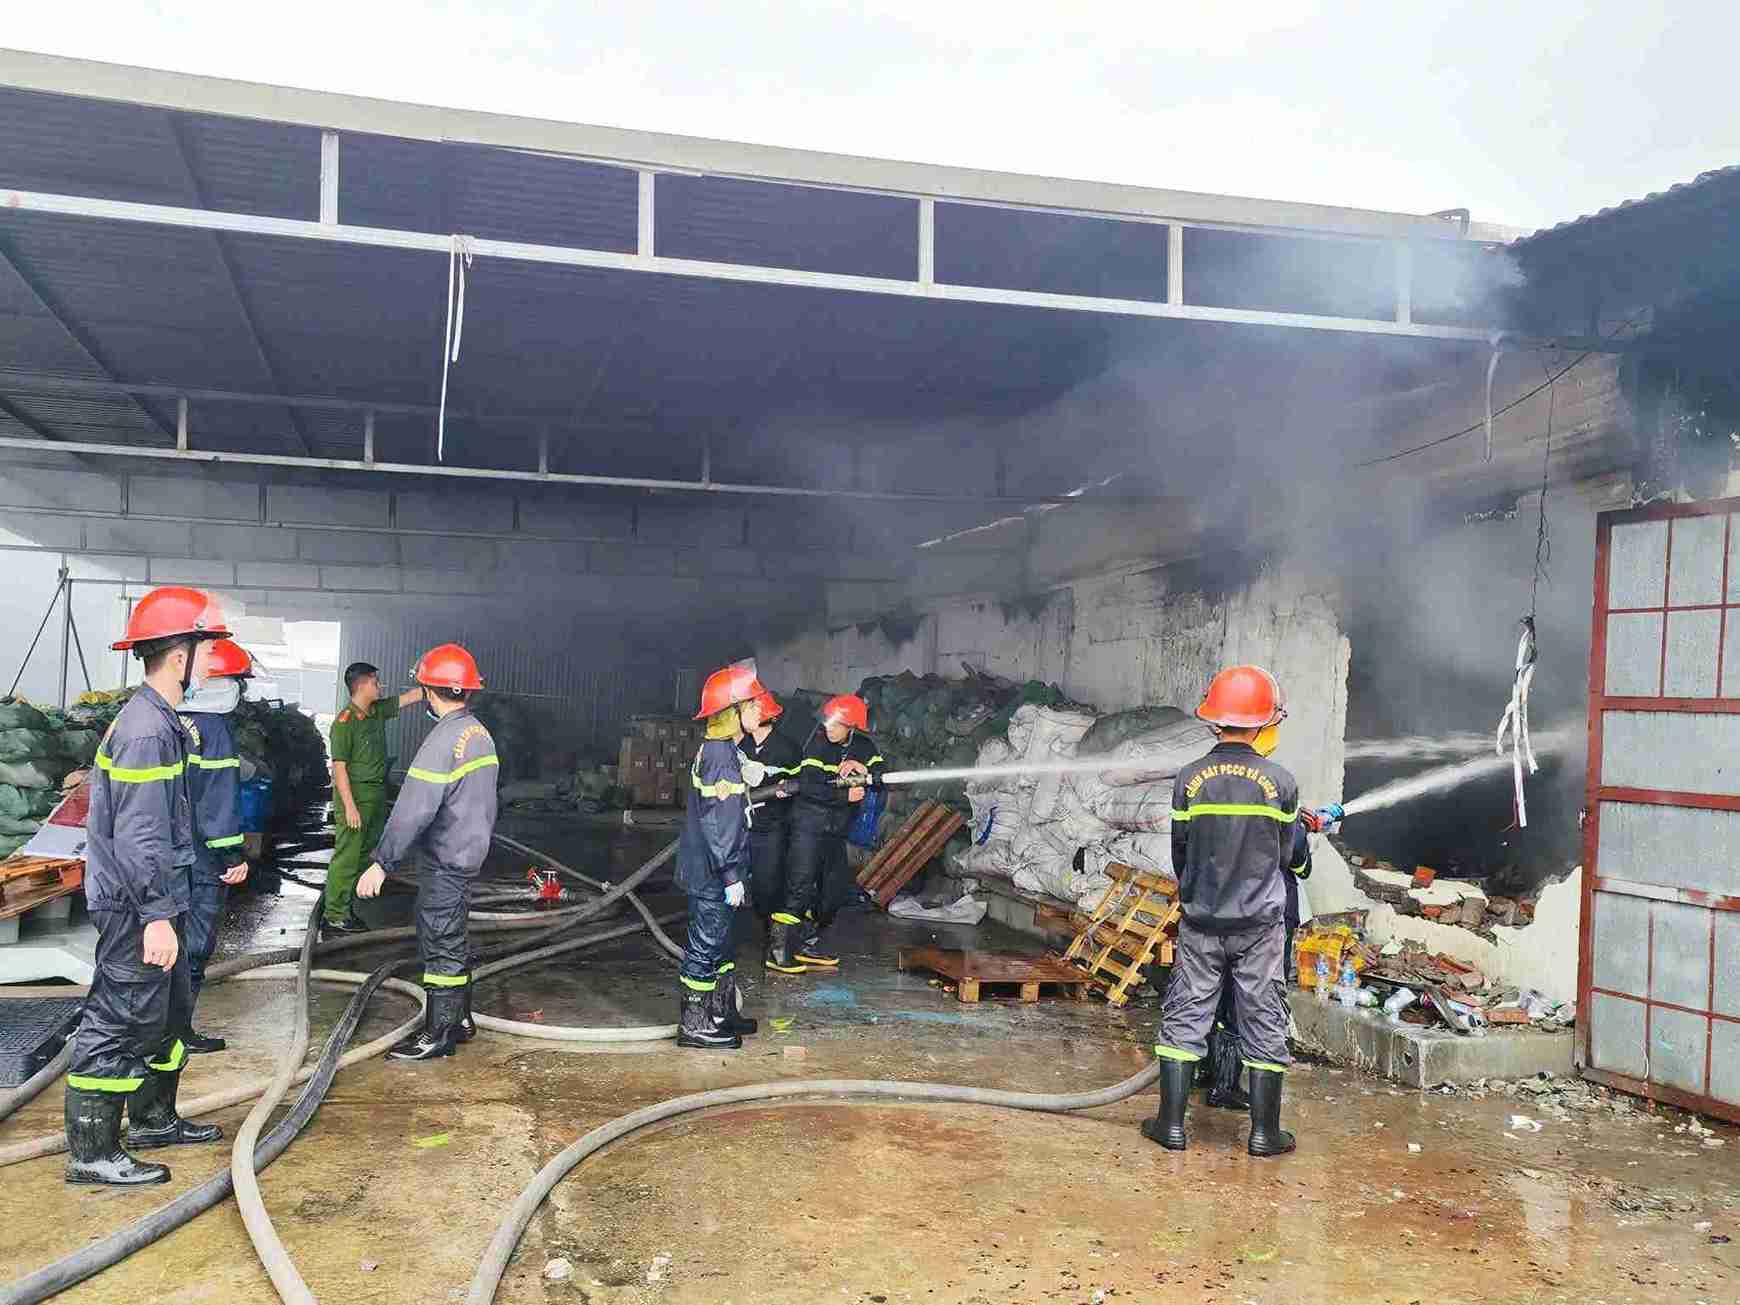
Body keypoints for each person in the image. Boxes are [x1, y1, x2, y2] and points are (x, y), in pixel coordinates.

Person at [64, 586, 229, 1187]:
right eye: (207, 648)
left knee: (167, 1014)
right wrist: (157, 915)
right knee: (120, 1017)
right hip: (139, 905)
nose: (213, 661)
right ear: (179, 654)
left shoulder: (162, 721)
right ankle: (92, 1151)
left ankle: (155, 1118)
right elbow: (139, 836)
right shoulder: (145, 730)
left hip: (164, 896)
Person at [1148, 665, 1312, 1159]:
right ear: (1264, 723)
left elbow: (1181, 852)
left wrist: (1200, 892)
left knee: (1186, 1015)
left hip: (1202, 920)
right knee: (1262, 1017)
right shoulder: (1280, 783)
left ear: (1215, 720)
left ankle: (1171, 1127)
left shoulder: (1190, 780)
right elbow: (1291, 859)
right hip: (1260, 926)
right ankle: (1264, 1135)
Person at [355, 644, 498, 1061]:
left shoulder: (444, 740)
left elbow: (414, 808)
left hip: (445, 857)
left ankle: (439, 1033)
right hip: (468, 851)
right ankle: (461, 1019)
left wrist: (383, 863)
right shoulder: (478, 733)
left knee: (440, 942)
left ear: (429, 690)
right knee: (453, 934)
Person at [675, 663, 762, 1048]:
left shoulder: (722, 750)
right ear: (733, 710)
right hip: (713, 873)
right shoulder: (719, 756)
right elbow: (718, 823)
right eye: (752, 703)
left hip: (718, 868)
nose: (759, 710)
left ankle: (722, 1012)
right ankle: (694, 1025)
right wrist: (730, 875)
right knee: (705, 946)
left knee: (723, 945)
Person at [176, 637, 255, 1054]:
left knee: (164, 939)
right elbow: (219, 800)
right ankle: (178, 1033)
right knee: (194, 944)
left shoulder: (171, 720)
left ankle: (158, 1029)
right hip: (202, 857)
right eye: (239, 682)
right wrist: (232, 854)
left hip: (166, 852)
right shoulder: (215, 730)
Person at [783, 693, 884, 970]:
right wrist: (844, 797)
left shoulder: (864, 747)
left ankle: (809, 940)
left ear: (851, 726)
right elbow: (808, 786)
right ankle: (781, 949)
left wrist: (864, 768)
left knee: (834, 890)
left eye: (835, 724)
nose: (828, 727)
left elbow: (881, 775)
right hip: (809, 824)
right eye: (827, 721)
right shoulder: (817, 744)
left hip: (836, 831)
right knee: (800, 885)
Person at [324, 662, 424, 937]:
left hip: (375, 796)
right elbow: (340, 769)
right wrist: (350, 807)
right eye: (375, 682)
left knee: (364, 855)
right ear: (362, 685)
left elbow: (409, 698)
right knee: (347, 857)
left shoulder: (376, 711)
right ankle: (334, 914)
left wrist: (432, 683)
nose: (379, 686)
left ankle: (346, 906)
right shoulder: (345, 723)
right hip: (355, 798)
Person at [737, 684, 805, 974]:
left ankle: (773, 939)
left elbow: (800, 784)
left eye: (749, 710)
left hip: (772, 828)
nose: (743, 716)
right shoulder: (743, 747)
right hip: (742, 825)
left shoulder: (787, 748)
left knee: (767, 886)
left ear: (763, 716)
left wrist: (785, 791)